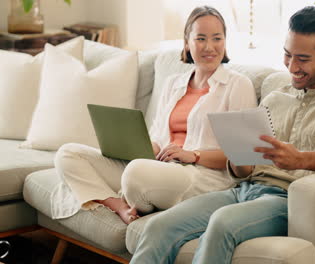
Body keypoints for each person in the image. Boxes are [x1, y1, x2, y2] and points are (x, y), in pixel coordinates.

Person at [129, 6, 315, 264]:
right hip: (242, 191)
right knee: (158, 227)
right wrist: (240, 161)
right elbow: (244, 170)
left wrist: (302, 160)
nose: (292, 66)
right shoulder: (276, 98)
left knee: (222, 223)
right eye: (287, 55)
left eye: (303, 59)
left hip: (286, 201)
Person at [50, 6, 257, 224]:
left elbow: (244, 160)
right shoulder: (173, 84)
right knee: (68, 154)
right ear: (187, 42)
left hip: (201, 176)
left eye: (217, 38)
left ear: (225, 42)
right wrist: (132, 146)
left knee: (136, 172)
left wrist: (193, 154)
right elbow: (158, 139)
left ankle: (137, 193)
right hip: (158, 168)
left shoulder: (238, 85)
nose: (210, 47)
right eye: (201, 39)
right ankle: (119, 205)